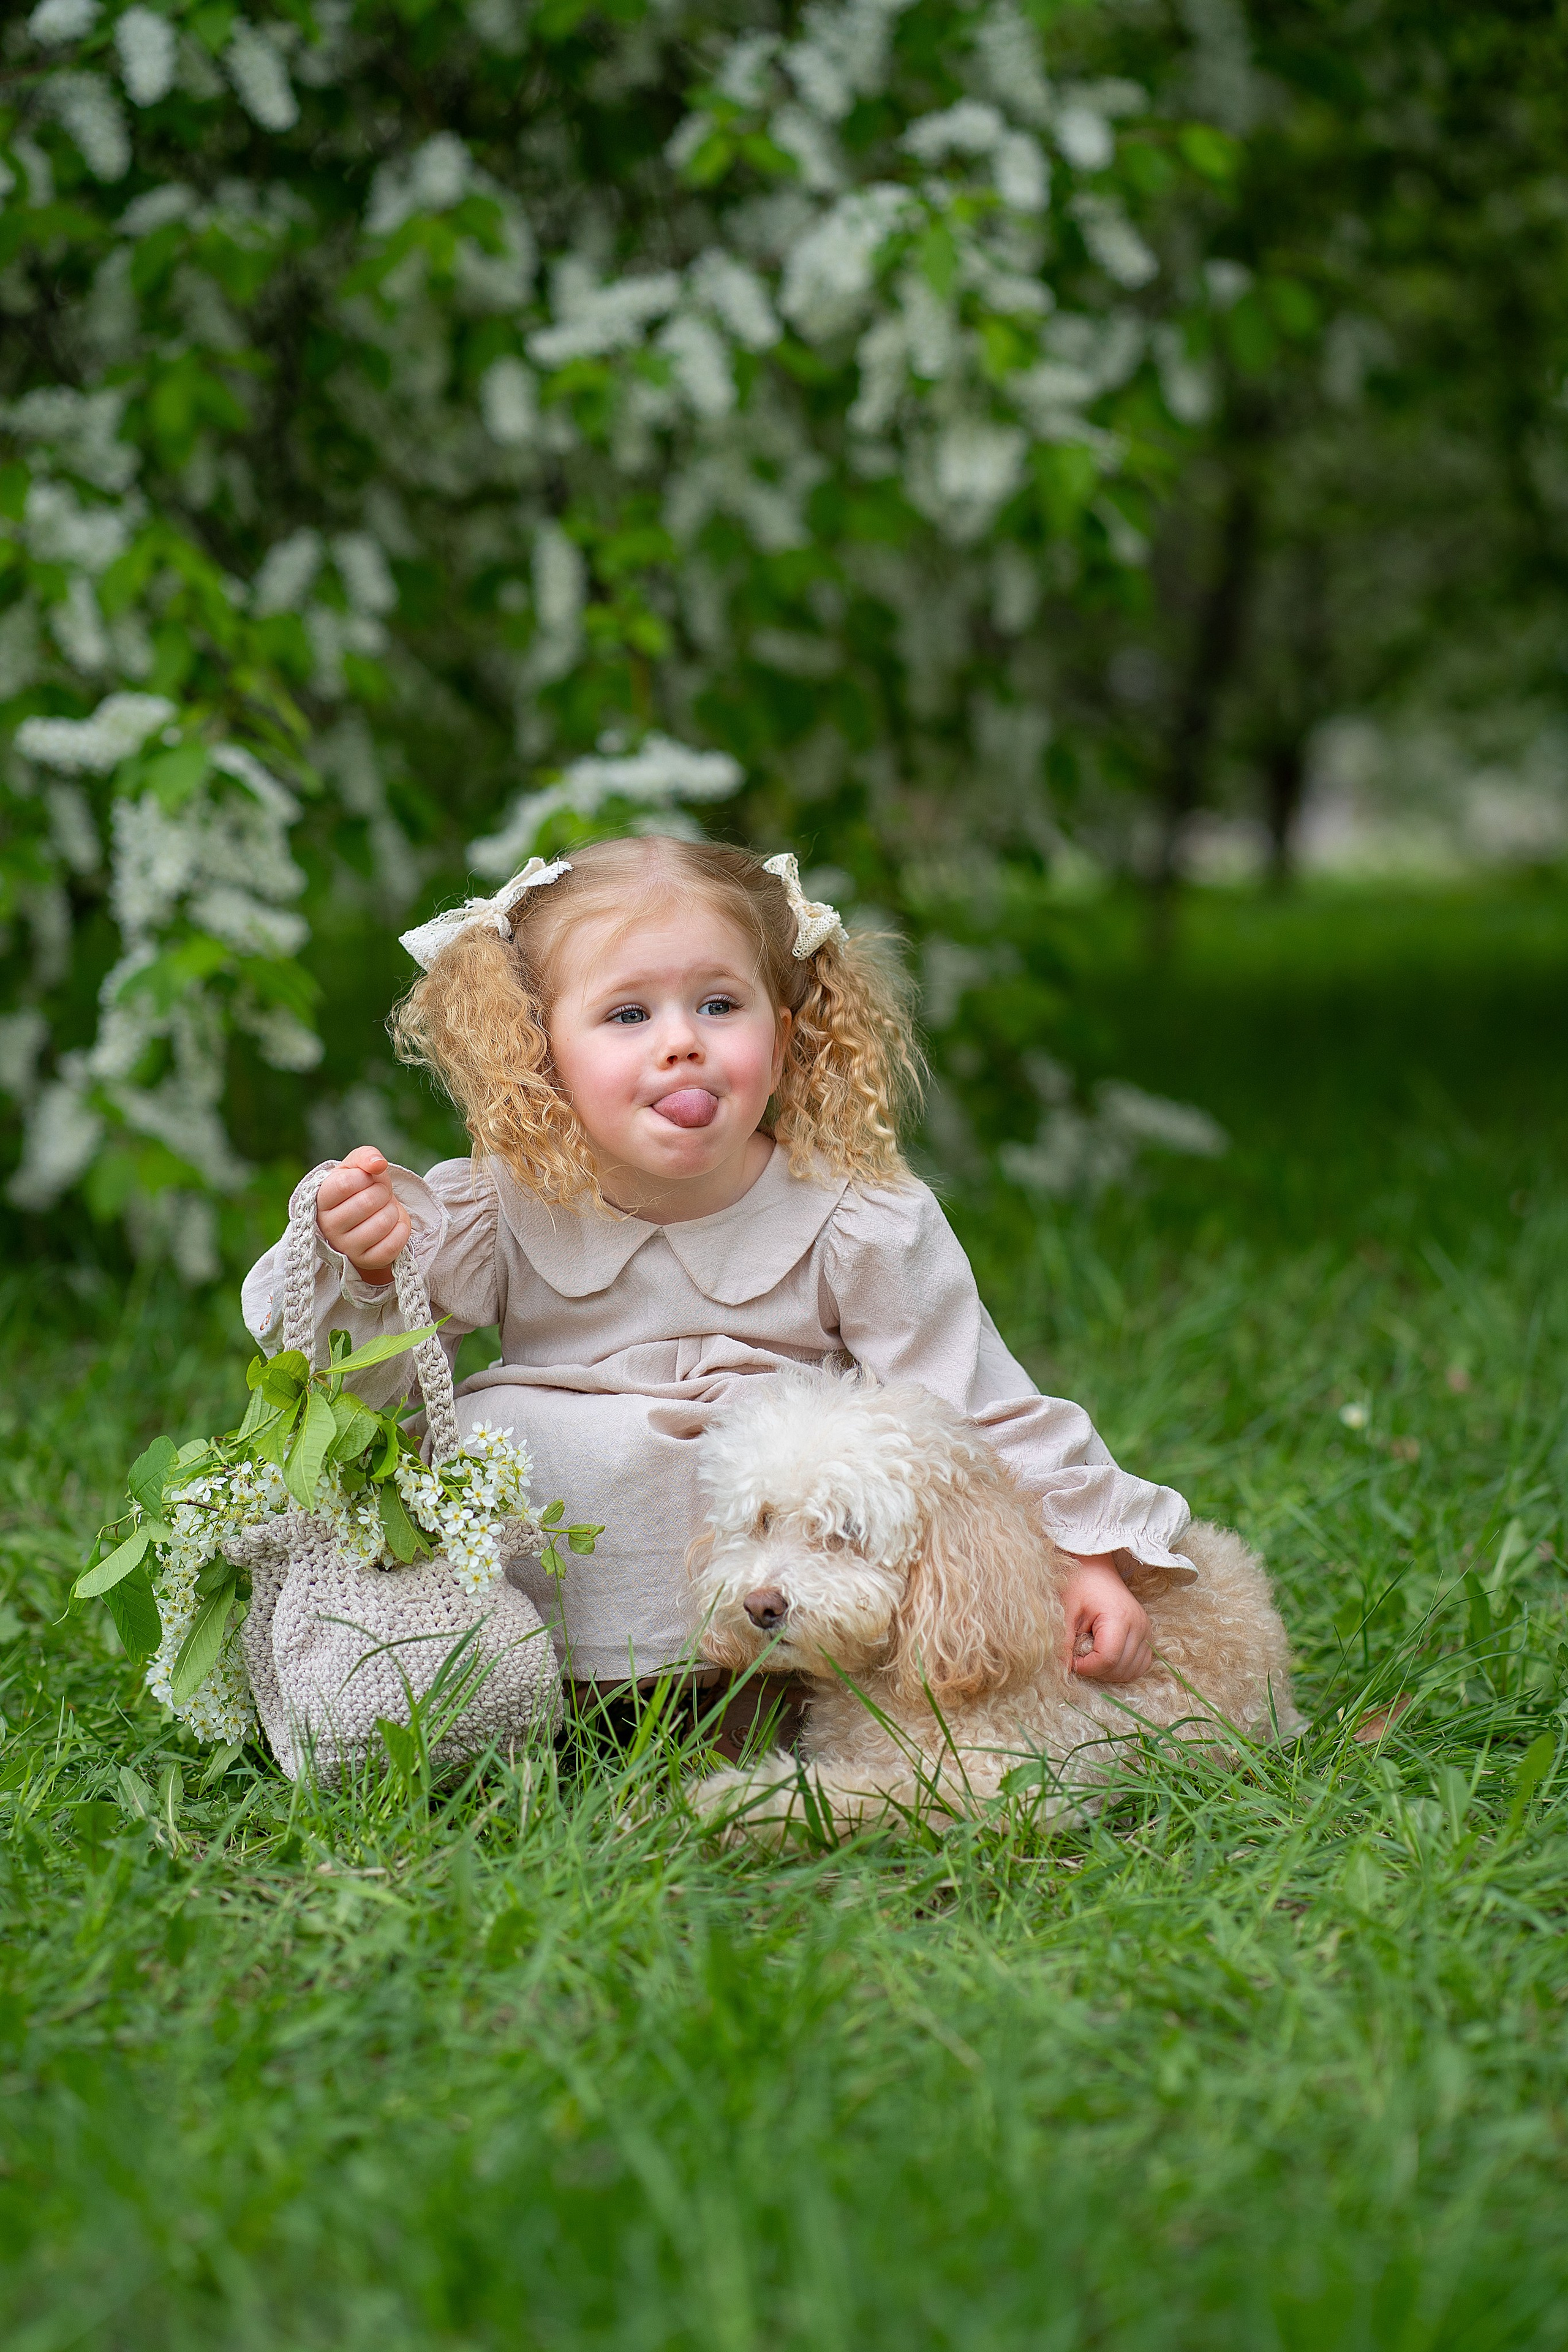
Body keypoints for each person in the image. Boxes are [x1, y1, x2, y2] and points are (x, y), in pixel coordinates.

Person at [243, 836, 1193, 1732]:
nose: (682, 1043)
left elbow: (976, 1405)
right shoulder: (497, 1211)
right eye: (628, 1015)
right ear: (538, 1056)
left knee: (784, 1468)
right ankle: (541, 1700)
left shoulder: (853, 1219)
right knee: (518, 1444)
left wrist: (1083, 1557)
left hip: (788, 1606)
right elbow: (360, 1389)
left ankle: (756, 1709)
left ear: (782, 1041)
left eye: (718, 1005)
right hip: (555, 1598)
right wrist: (367, 1266)